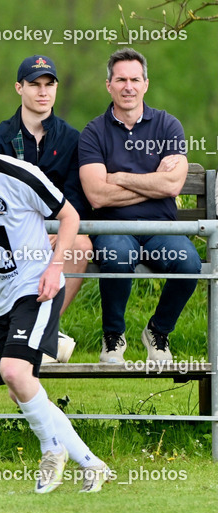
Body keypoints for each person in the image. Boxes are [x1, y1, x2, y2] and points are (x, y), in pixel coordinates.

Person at [0, 100, 113, 493]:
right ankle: (91, 462)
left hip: (36, 284)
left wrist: (55, 266)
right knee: (23, 389)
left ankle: (52, 451)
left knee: (15, 373)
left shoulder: (19, 175)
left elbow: (69, 216)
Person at [79, 48, 199, 363]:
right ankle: (113, 336)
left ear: (146, 83)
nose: (128, 86)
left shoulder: (168, 126)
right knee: (117, 256)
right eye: (121, 80)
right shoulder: (94, 132)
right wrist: (153, 183)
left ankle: (158, 332)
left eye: (135, 79)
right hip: (113, 228)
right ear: (109, 85)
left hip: (161, 229)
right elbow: (97, 196)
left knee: (188, 262)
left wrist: (117, 177)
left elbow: (173, 184)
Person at [0, 55, 94, 363]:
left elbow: (75, 196)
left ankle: (43, 330)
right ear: (19, 88)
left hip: (55, 230)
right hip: (9, 233)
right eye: (35, 85)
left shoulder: (72, 138)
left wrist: (57, 231)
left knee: (81, 244)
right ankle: (40, 336)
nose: (43, 92)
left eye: (50, 84)